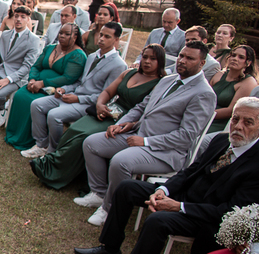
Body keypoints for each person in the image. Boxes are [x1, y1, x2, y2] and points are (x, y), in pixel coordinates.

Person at [75, 97, 259, 254]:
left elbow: (229, 212)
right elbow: (191, 171)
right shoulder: (222, 140)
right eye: (235, 119)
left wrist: (178, 207)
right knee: (127, 187)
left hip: (206, 217)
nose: (238, 126)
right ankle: (110, 249)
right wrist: (164, 191)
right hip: (185, 196)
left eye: (248, 122)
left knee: (157, 221)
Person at [79, 42, 218, 226]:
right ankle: (99, 193)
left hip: (165, 151)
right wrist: (121, 124)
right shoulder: (168, 80)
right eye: (181, 56)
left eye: (190, 58)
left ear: (202, 63)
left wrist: (145, 141)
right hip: (137, 134)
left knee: (120, 161)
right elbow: (142, 106)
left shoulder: (204, 93)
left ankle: (109, 208)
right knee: (91, 143)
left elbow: (186, 136)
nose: (182, 61)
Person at [31, 45, 166, 190]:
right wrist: (100, 105)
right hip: (106, 111)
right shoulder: (129, 73)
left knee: (85, 136)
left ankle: (57, 172)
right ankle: (58, 164)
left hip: (125, 122)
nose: (147, 61)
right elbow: (107, 92)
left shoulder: (159, 84)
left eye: (153, 59)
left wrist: (131, 123)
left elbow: (148, 112)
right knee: (75, 129)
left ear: (160, 61)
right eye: (145, 57)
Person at [23, 21, 128, 160]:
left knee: (54, 115)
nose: (101, 38)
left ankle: (53, 152)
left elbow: (107, 97)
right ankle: (41, 145)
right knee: (37, 105)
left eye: (107, 36)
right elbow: (79, 82)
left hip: (88, 104)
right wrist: (63, 89)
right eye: (101, 34)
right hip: (72, 95)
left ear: (116, 39)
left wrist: (78, 98)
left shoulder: (119, 65)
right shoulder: (92, 56)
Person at [5, 23, 87, 151]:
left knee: (32, 101)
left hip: (54, 89)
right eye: (61, 33)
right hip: (36, 83)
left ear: (75, 37)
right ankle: (15, 135)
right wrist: (32, 80)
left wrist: (43, 83)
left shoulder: (78, 55)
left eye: (67, 34)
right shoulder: (50, 48)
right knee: (20, 95)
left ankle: (32, 140)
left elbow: (68, 78)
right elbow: (36, 66)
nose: (62, 36)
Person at [205, 43, 258, 133]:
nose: (235, 59)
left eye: (241, 57)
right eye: (233, 55)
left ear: (248, 63)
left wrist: (205, 114)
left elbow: (232, 110)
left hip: (221, 122)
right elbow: (205, 97)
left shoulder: (248, 82)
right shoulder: (219, 75)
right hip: (204, 113)